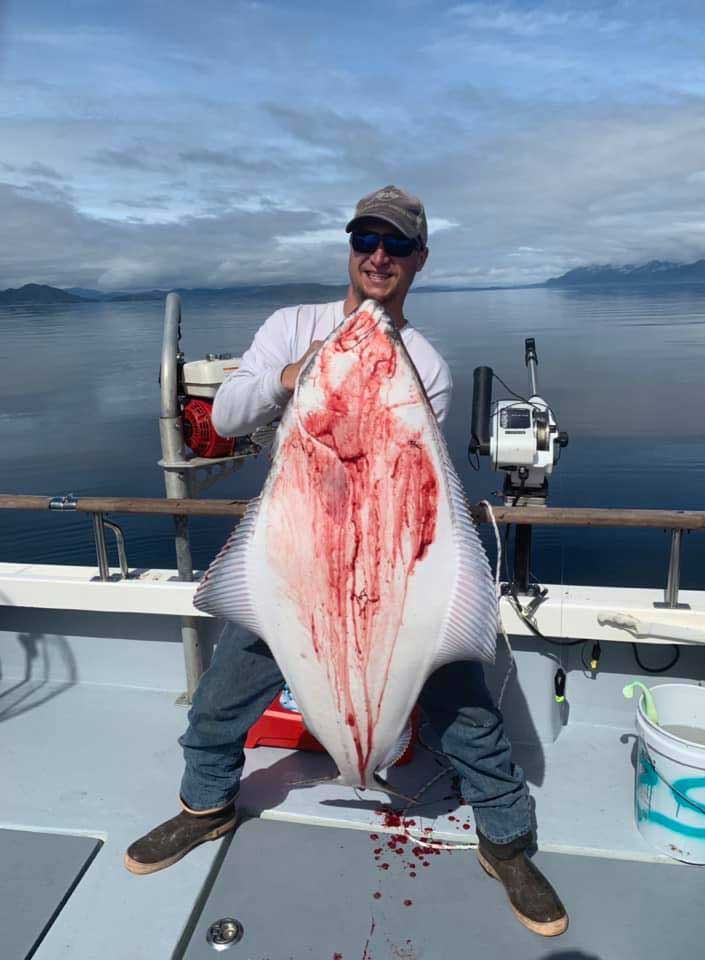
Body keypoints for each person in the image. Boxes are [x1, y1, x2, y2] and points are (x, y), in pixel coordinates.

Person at [124, 185, 568, 938]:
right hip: (297, 553)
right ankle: (204, 806)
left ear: (419, 260)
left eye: (396, 245)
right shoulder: (290, 325)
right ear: (350, 247)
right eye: (366, 240)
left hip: (391, 561)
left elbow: (410, 473)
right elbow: (230, 415)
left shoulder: (424, 362)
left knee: (466, 709)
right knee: (220, 696)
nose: (379, 256)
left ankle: (507, 841)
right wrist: (291, 378)